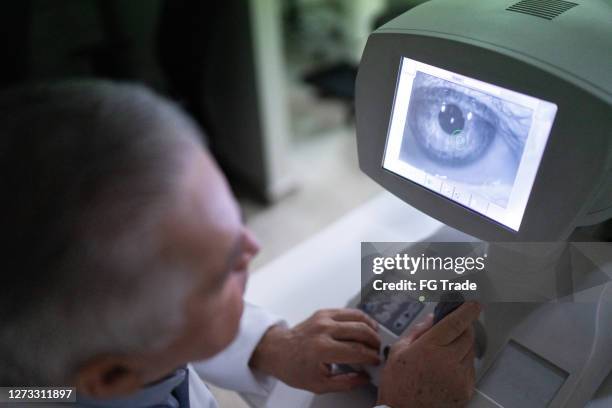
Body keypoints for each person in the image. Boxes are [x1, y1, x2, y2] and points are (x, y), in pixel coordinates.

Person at [0, 81, 480, 408]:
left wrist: (265, 345)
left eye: (235, 222)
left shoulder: (45, 385)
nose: (253, 247)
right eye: (221, 273)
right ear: (111, 378)